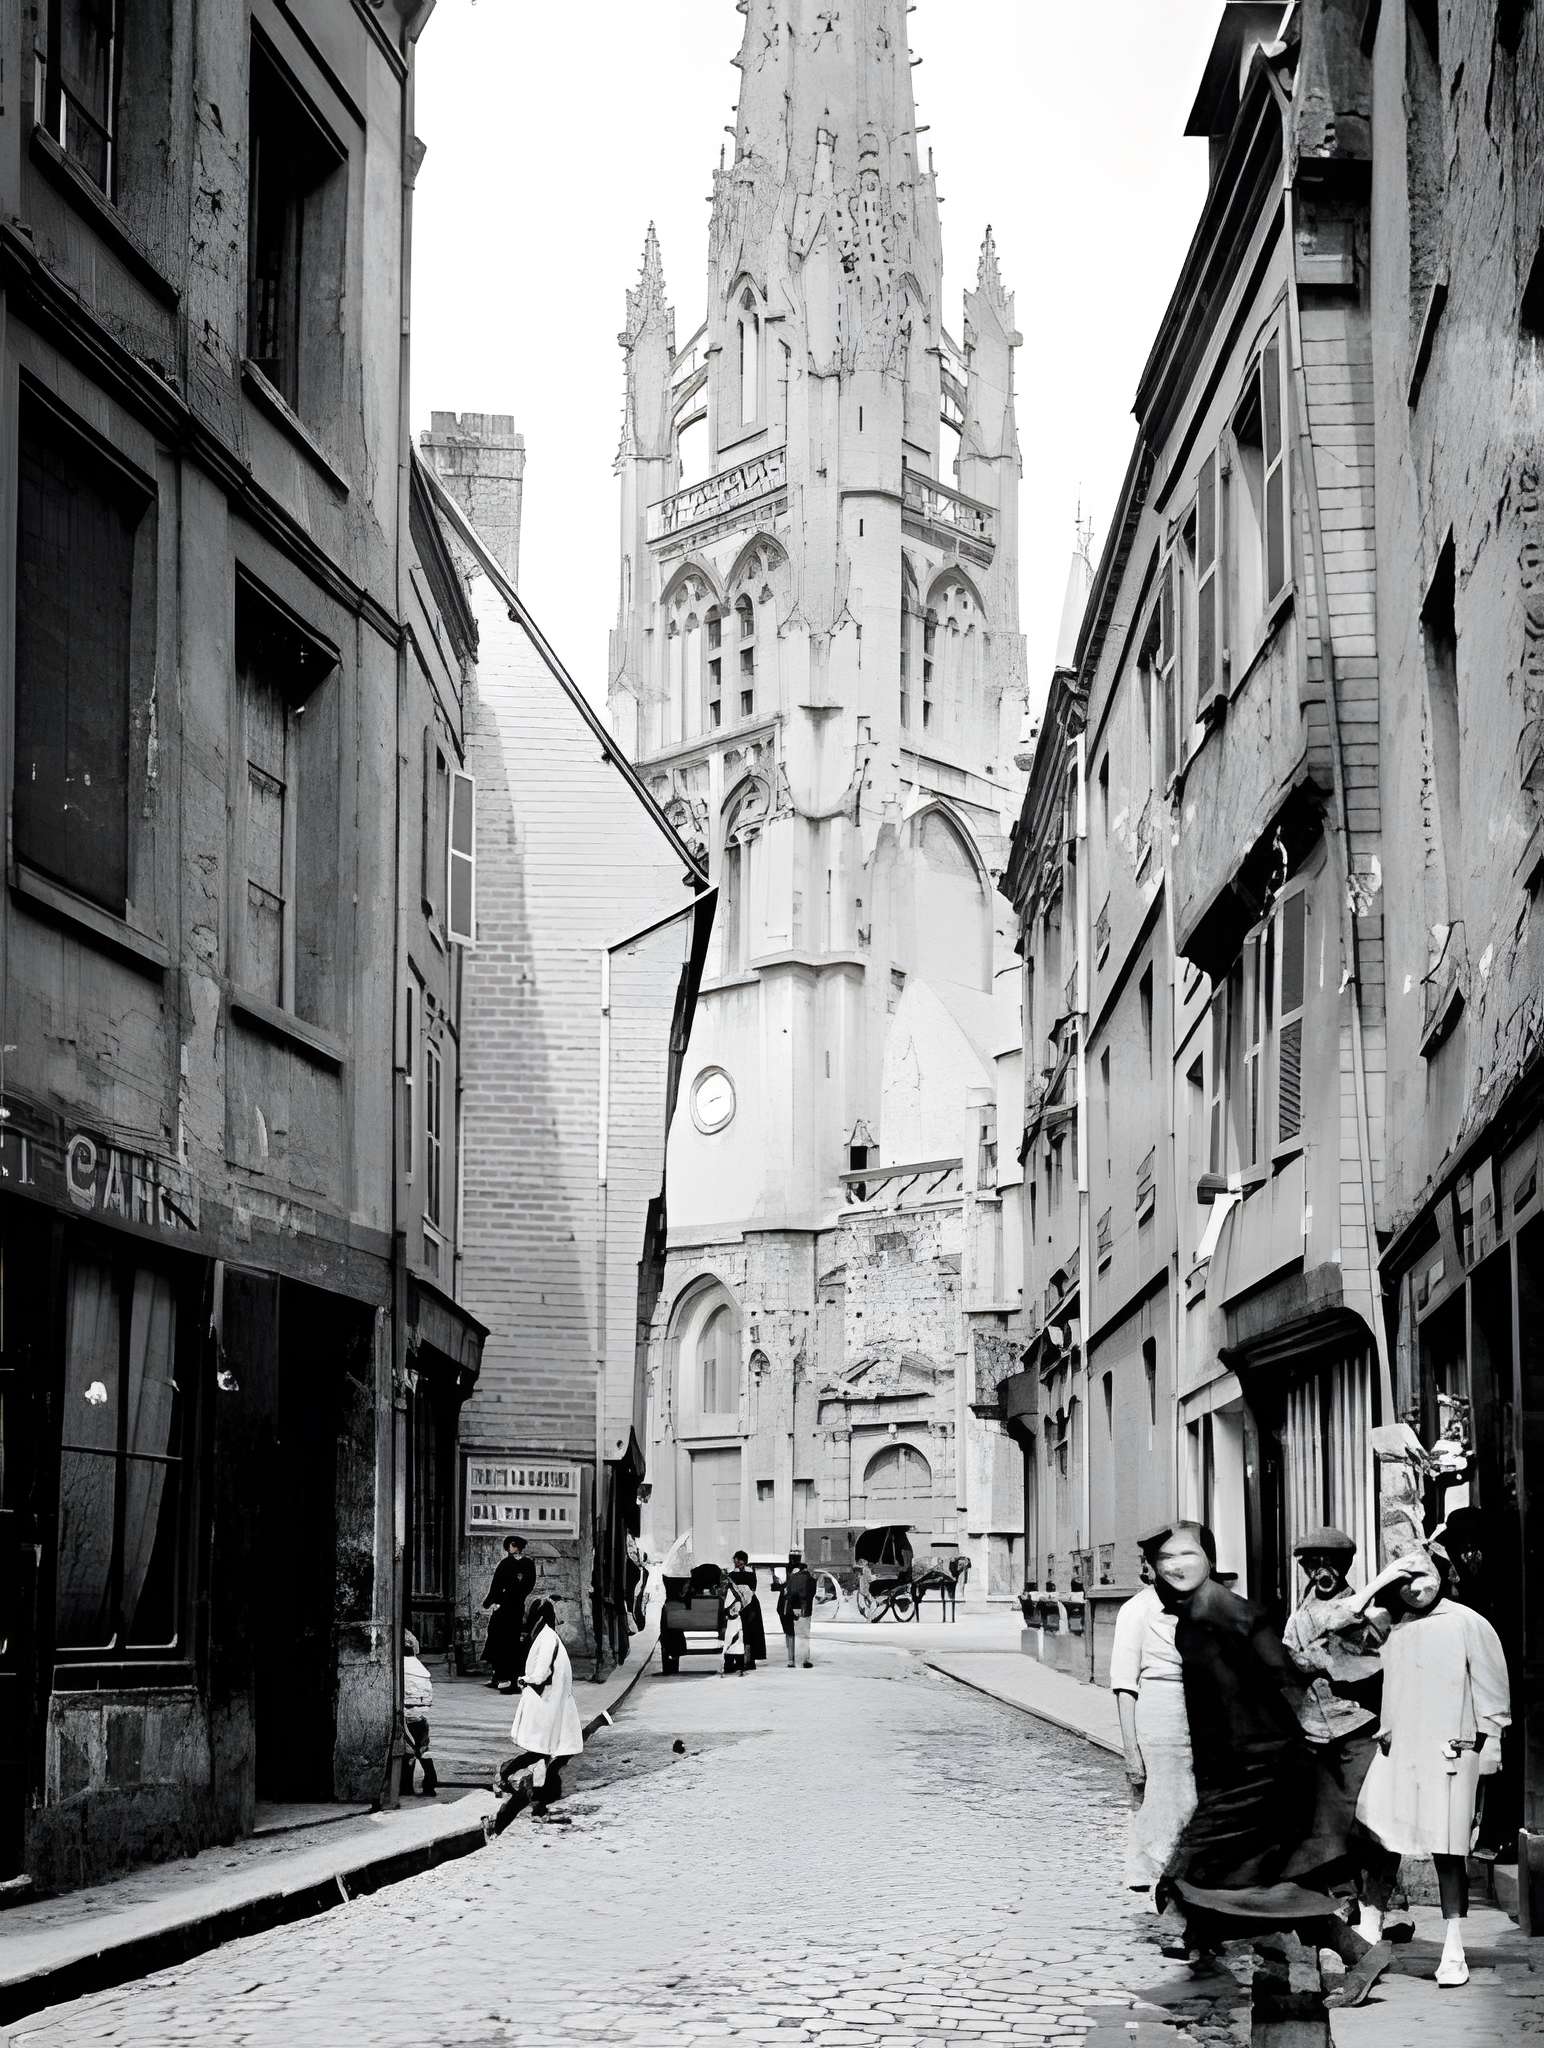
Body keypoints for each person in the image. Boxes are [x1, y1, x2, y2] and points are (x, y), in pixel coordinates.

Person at [1151, 1521, 1390, 2005]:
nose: (1169, 1568)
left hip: (1261, 1769)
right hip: (1240, 1769)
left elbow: (1280, 1679)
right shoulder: (1196, 1618)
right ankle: (1349, 1952)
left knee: (1203, 1874)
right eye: (1162, 1561)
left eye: (1181, 1557)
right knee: (1253, 1880)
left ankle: (1208, 1935)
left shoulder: (1230, 1615)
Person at [1348, 1544, 1511, 1987]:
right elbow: (1346, 1620)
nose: (1414, 1589)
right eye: (1404, 1582)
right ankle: (1370, 1920)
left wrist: (1492, 1742)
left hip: (1452, 1749)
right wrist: (1379, 1584)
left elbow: (1492, 1685)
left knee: (1448, 1847)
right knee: (1378, 1831)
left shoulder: (1466, 1623)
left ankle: (1454, 1944)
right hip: (1400, 1750)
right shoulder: (1393, 1627)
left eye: (1422, 1577)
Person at [1281, 1525, 1399, 1937]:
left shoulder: (1368, 1609)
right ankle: (1343, 1902)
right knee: (1326, 1827)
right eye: (1313, 1564)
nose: (1321, 1571)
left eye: (1330, 1562)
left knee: (1370, 1822)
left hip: (1360, 1726)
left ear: (1345, 1564)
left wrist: (1321, 1655)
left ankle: (1375, 1908)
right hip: (1314, 1732)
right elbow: (1289, 1667)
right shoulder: (1298, 1616)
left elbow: (1368, 1654)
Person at [1110, 1529, 1199, 1895]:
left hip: (1196, 1713)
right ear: (1150, 1568)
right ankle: (1159, 1877)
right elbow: (1124, 1687)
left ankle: (1184, 1879)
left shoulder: (1196, 1605)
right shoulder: (1136, 1611)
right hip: (1158, 1717)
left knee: (1192, 1801)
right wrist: (1132, 1753)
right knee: (1161, 1798)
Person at [488, 1599, 585, 1834]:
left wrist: (525, 1680)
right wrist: (527, 1680)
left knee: (546, 1755)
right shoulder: (548, 1637)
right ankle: (512, 1781)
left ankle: (536, 1803)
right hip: (548, 1704)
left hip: (551, 1703)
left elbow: (540, 1673)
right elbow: (541, 1674)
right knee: (547, 1754)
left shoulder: (545, 1638)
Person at [482, 1534, 535, 1693]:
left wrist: (512, 1596)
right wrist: (493, 1601)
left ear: (516, 1546)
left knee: (509, 1641)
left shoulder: (524, 1564)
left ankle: (508, 1677)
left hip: (512, 1606)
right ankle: (497, 1675)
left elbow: (528, 1584)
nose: (509, 1548)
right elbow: (497, 1584)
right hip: (506, 1606)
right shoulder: (508, 1563)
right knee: (499, 1637)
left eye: (511, 1545)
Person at [400, 1630, 438, 1796]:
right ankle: (430, 1781)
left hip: (407, 1711)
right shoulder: (418, 1666)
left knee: (408, 1750)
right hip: (421, 1712)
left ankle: (406, 1786)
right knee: (422, 1748)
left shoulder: (400, 1666)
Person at [777, 1551, 816, 1668]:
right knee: (804, 1634)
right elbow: (811, 1593)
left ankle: (791, 1660)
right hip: (803, 1608)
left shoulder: (784, 1574)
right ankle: (805, 1659)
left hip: (786, 1607)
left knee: (789, 1634)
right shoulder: (808, 1576)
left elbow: (782, 1590)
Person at [729, 1550, 766, 1669]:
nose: (735, 1561)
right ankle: (749, 1660)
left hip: (740, 1604)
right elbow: (753, 1588)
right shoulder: (751, 1574)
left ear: (742, 1561)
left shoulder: (733, 1575)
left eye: (736, 1559)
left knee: (741, 1632)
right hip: (751, 1604)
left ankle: (742, 1660)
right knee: (750, 1632)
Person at [722, 1574, 748, 1675]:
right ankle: (736, 1665)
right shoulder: (733, 1590)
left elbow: (733, 1607)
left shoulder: (731, 1591)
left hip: (734, 1621)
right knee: (734, 1642)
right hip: (734, 1621)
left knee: (733, 1641)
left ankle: (734, 1665)